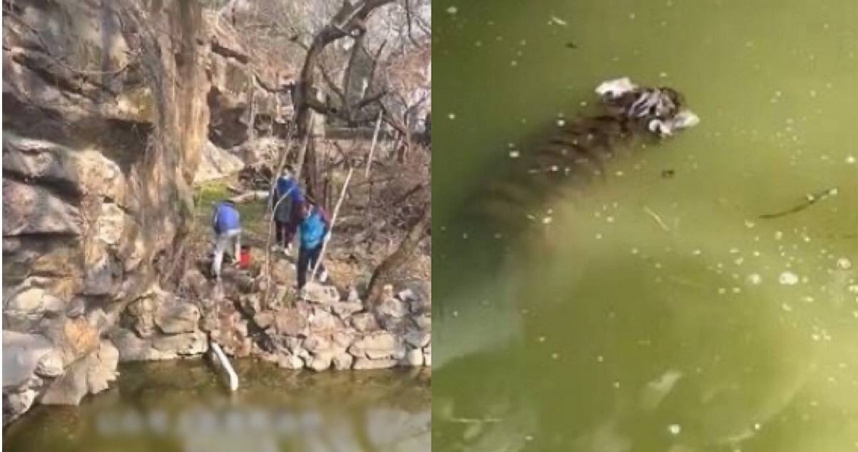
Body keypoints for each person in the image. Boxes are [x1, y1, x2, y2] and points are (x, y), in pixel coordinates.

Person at [296, 201, 331, 290]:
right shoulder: (299, 216)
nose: (303, 217)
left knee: (314, 263)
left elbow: (327, 222)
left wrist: (327, 233)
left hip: (317, 242)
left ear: (309, 209)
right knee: (301, 266)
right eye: (301, 215)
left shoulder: (318, 212)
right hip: (305, 244)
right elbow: (293, 227)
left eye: (305, 214)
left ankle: (323, 271)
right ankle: (301, 287)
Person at [270, 169, 304, 255]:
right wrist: (273, 209)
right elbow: (273, 197)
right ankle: (279, 243)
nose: (284, 174)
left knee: (289, 227)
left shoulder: (293, 184)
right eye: (283, 172)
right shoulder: (277, 183)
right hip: (280, 207)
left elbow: (298, 199)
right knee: (279, 225)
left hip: (290, 208)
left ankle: (287, 245)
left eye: (287, 173)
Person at [211, 200, 241, 280]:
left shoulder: (219, 209)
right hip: (237, 230)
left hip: (226, 230)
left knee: (219, 252)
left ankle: (216, 274)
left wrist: (218, 235)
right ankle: (237, 262)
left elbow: (215, 223)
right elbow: (238, 220)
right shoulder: (234, 211)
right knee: (236, 245)